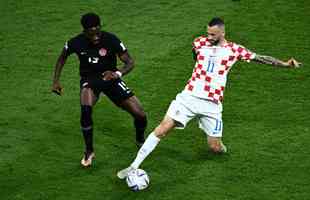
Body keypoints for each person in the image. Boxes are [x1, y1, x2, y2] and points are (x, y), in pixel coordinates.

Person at [117, 17, 301, 179]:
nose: (209, 37)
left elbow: (260, 58)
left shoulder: (235, 50)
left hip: (212, 105)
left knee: (215, 147)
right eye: (208, 34)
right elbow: (196, 57)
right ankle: (133, 166)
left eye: (213, 35)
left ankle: (221, 148)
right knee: (162, 129)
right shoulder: (199, 43)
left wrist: (285, 64)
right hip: (188, 98)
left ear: (222, 32)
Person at [51, 13, 147, 167]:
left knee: (140, 115)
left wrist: (117, 73)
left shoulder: (111, 39)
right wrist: (56, 81)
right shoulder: (76, 42)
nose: (96, 36)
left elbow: (130, 61)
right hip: (90, 79)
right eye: (91, 33)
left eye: (98, 31)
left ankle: (140, 140)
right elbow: (62, 57)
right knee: (86, 109)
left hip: (111, 78)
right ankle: (89, 151)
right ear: (84, 31)